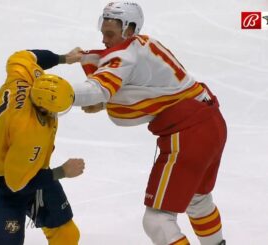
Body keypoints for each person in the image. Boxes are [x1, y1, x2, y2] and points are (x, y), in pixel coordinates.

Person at [70, 2, 227, 245]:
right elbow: (148, 89)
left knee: (156, 220)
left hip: (188, 135)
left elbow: (98, 89)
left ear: (129, 29)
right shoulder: (145, 44)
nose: (104, 39)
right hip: (211, 122)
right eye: (103, 31)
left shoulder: (125, 57)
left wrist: (58, 94)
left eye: (109, 33)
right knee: (198, 200)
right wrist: (103, 102)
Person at [0, 49, 85, 245]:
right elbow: (15, 183)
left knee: (66, 235)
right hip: (1, 187)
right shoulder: (28, 132)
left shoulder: (24, 79)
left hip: (31, 171)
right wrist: (62, 172)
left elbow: (25, 56)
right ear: (43, 108)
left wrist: (63, 58)